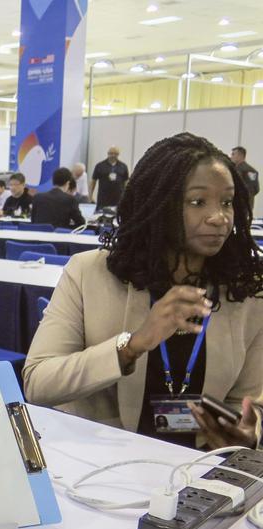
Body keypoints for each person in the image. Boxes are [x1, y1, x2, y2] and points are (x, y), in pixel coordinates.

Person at [24, 133, 263, 449]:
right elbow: (38, 383)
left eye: (227, 202)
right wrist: (131, 345)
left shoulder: (245, 290)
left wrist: (248, 433)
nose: (219, 218)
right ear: (157, 204)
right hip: (101, 462)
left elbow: (250, 403)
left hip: (198, 468)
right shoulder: (88, 273)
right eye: (197, 202)